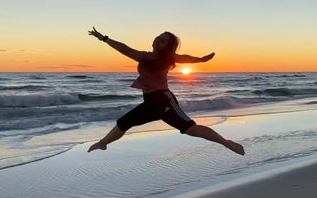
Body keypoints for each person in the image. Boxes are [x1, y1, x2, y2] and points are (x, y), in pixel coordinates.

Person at [87, 27, 245, 156]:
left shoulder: (167, 58)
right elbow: (125, 49)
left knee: (190, 128)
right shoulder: (145, 56)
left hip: (163, 100)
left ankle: (227, 143)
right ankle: (103, 143)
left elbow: (184, 57)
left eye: (163, 41)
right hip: (150, 102)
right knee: (124, 123)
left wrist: (200, 59)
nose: (157, 40)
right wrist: (104, 38)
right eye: (158, 37)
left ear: (167, 47)